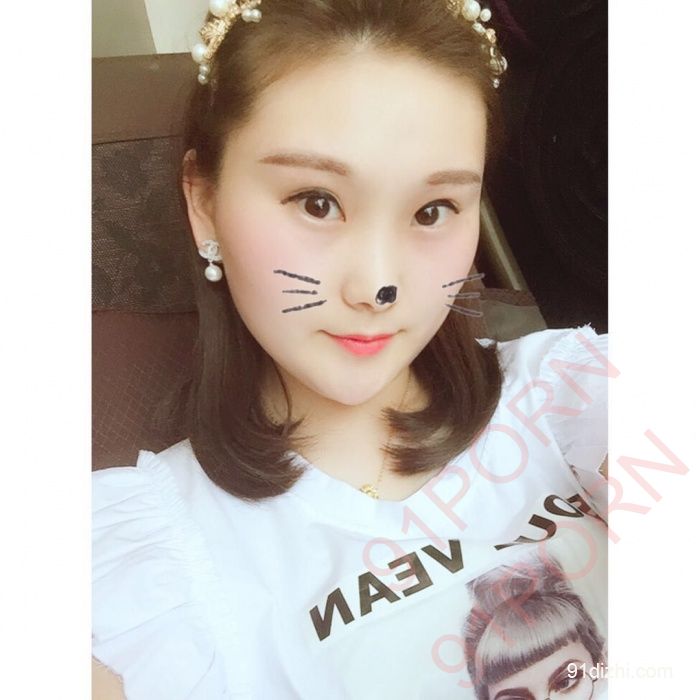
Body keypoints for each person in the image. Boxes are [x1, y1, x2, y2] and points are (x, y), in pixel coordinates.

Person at [92, 1, 609, 698]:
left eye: (432, 211)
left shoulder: (571, 396)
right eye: (317, 202)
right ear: (204, 202)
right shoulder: (139, 568)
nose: (377, 286)